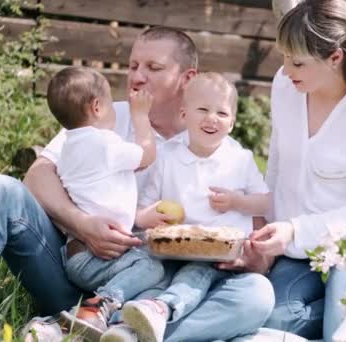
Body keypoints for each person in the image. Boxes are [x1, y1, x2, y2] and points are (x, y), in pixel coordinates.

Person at [0, 26, 274, 342]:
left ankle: (95, 331)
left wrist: (255, 260)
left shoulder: (213, 137)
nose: (137, 76)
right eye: (133, 65)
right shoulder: (106, 115)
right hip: (76, 272)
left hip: (154, 295)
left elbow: (255, 224)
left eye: (153, 68)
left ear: (188, 79)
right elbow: (38, 175)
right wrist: (82, 224)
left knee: (256, 295)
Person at [244, 0, 346, 340]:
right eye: (284, 56)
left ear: (335, 57)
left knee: (340, 328)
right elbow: (276, 166)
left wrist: (294, 229)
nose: (286, 70)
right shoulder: (286, 86)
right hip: (298, 250)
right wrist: (263, 231)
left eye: (297, 61)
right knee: (275, 322)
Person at [109, 72, 270, 342]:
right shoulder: (168, 156)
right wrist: (149, 217)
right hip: (171, 252)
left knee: (201, 273)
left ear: (232, 122)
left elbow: (266, 201)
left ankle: (161, 310)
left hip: (220, 258)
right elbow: (145, 207)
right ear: (184, 114)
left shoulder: (240, 159)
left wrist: (237, 202)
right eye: (203, 110)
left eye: (222, 113)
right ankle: (115, 315)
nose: (212, 118)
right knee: (153, 275)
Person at [43, 66, 164, 335]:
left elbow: (102, 197)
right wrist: (140, 116)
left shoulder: (68, 147)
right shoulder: (104, 143)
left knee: (147, 274)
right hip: (93, 258)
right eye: (110, 102)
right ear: (97, 107)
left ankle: (108, 324)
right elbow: (146, 156)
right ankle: (98, 305)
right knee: (152, 268)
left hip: (77, 253)